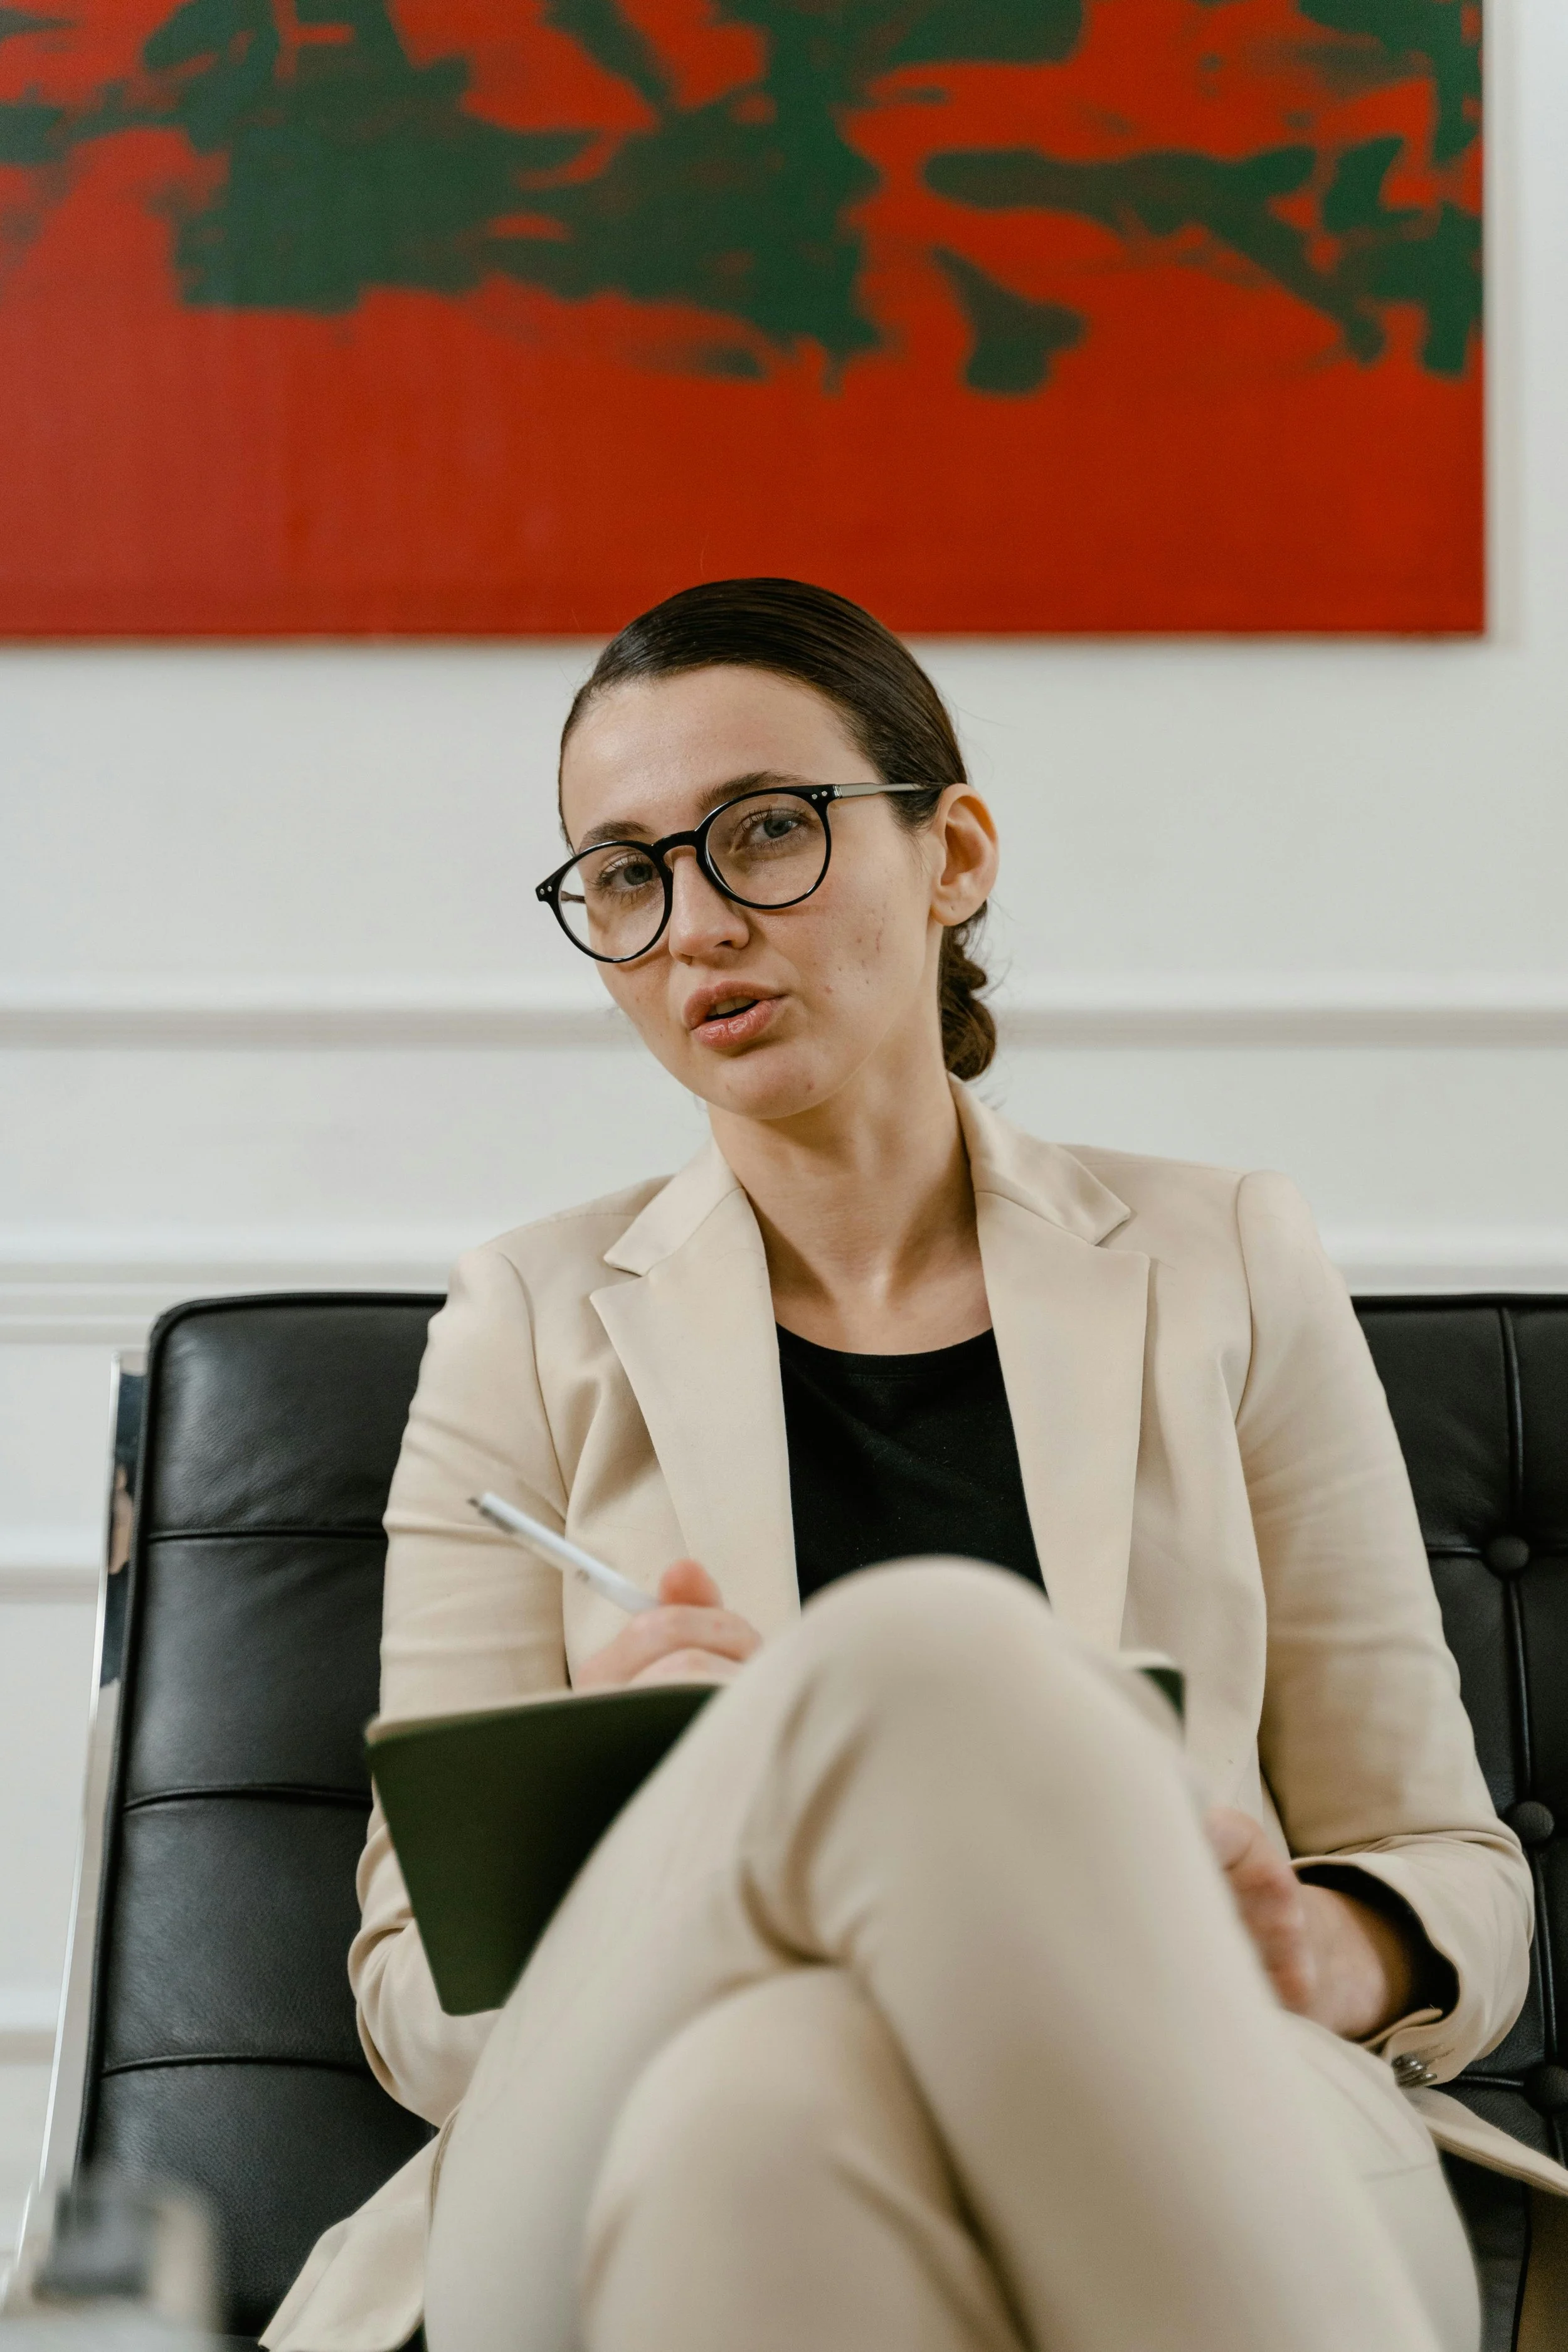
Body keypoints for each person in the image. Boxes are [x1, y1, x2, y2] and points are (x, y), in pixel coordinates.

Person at [265, 580, 1568, 2352]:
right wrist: (659, 1830)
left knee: (776, 2101)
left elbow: (1442, 1864)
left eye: (766, 834)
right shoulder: (525, 1319)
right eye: (627, 874)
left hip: (1185, 2083)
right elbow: (418, 2005)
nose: (697, 925)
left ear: (950, 852)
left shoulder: (1225, 1258)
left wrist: (1324, 1950)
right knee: (896, 1700)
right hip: (599, 2127)